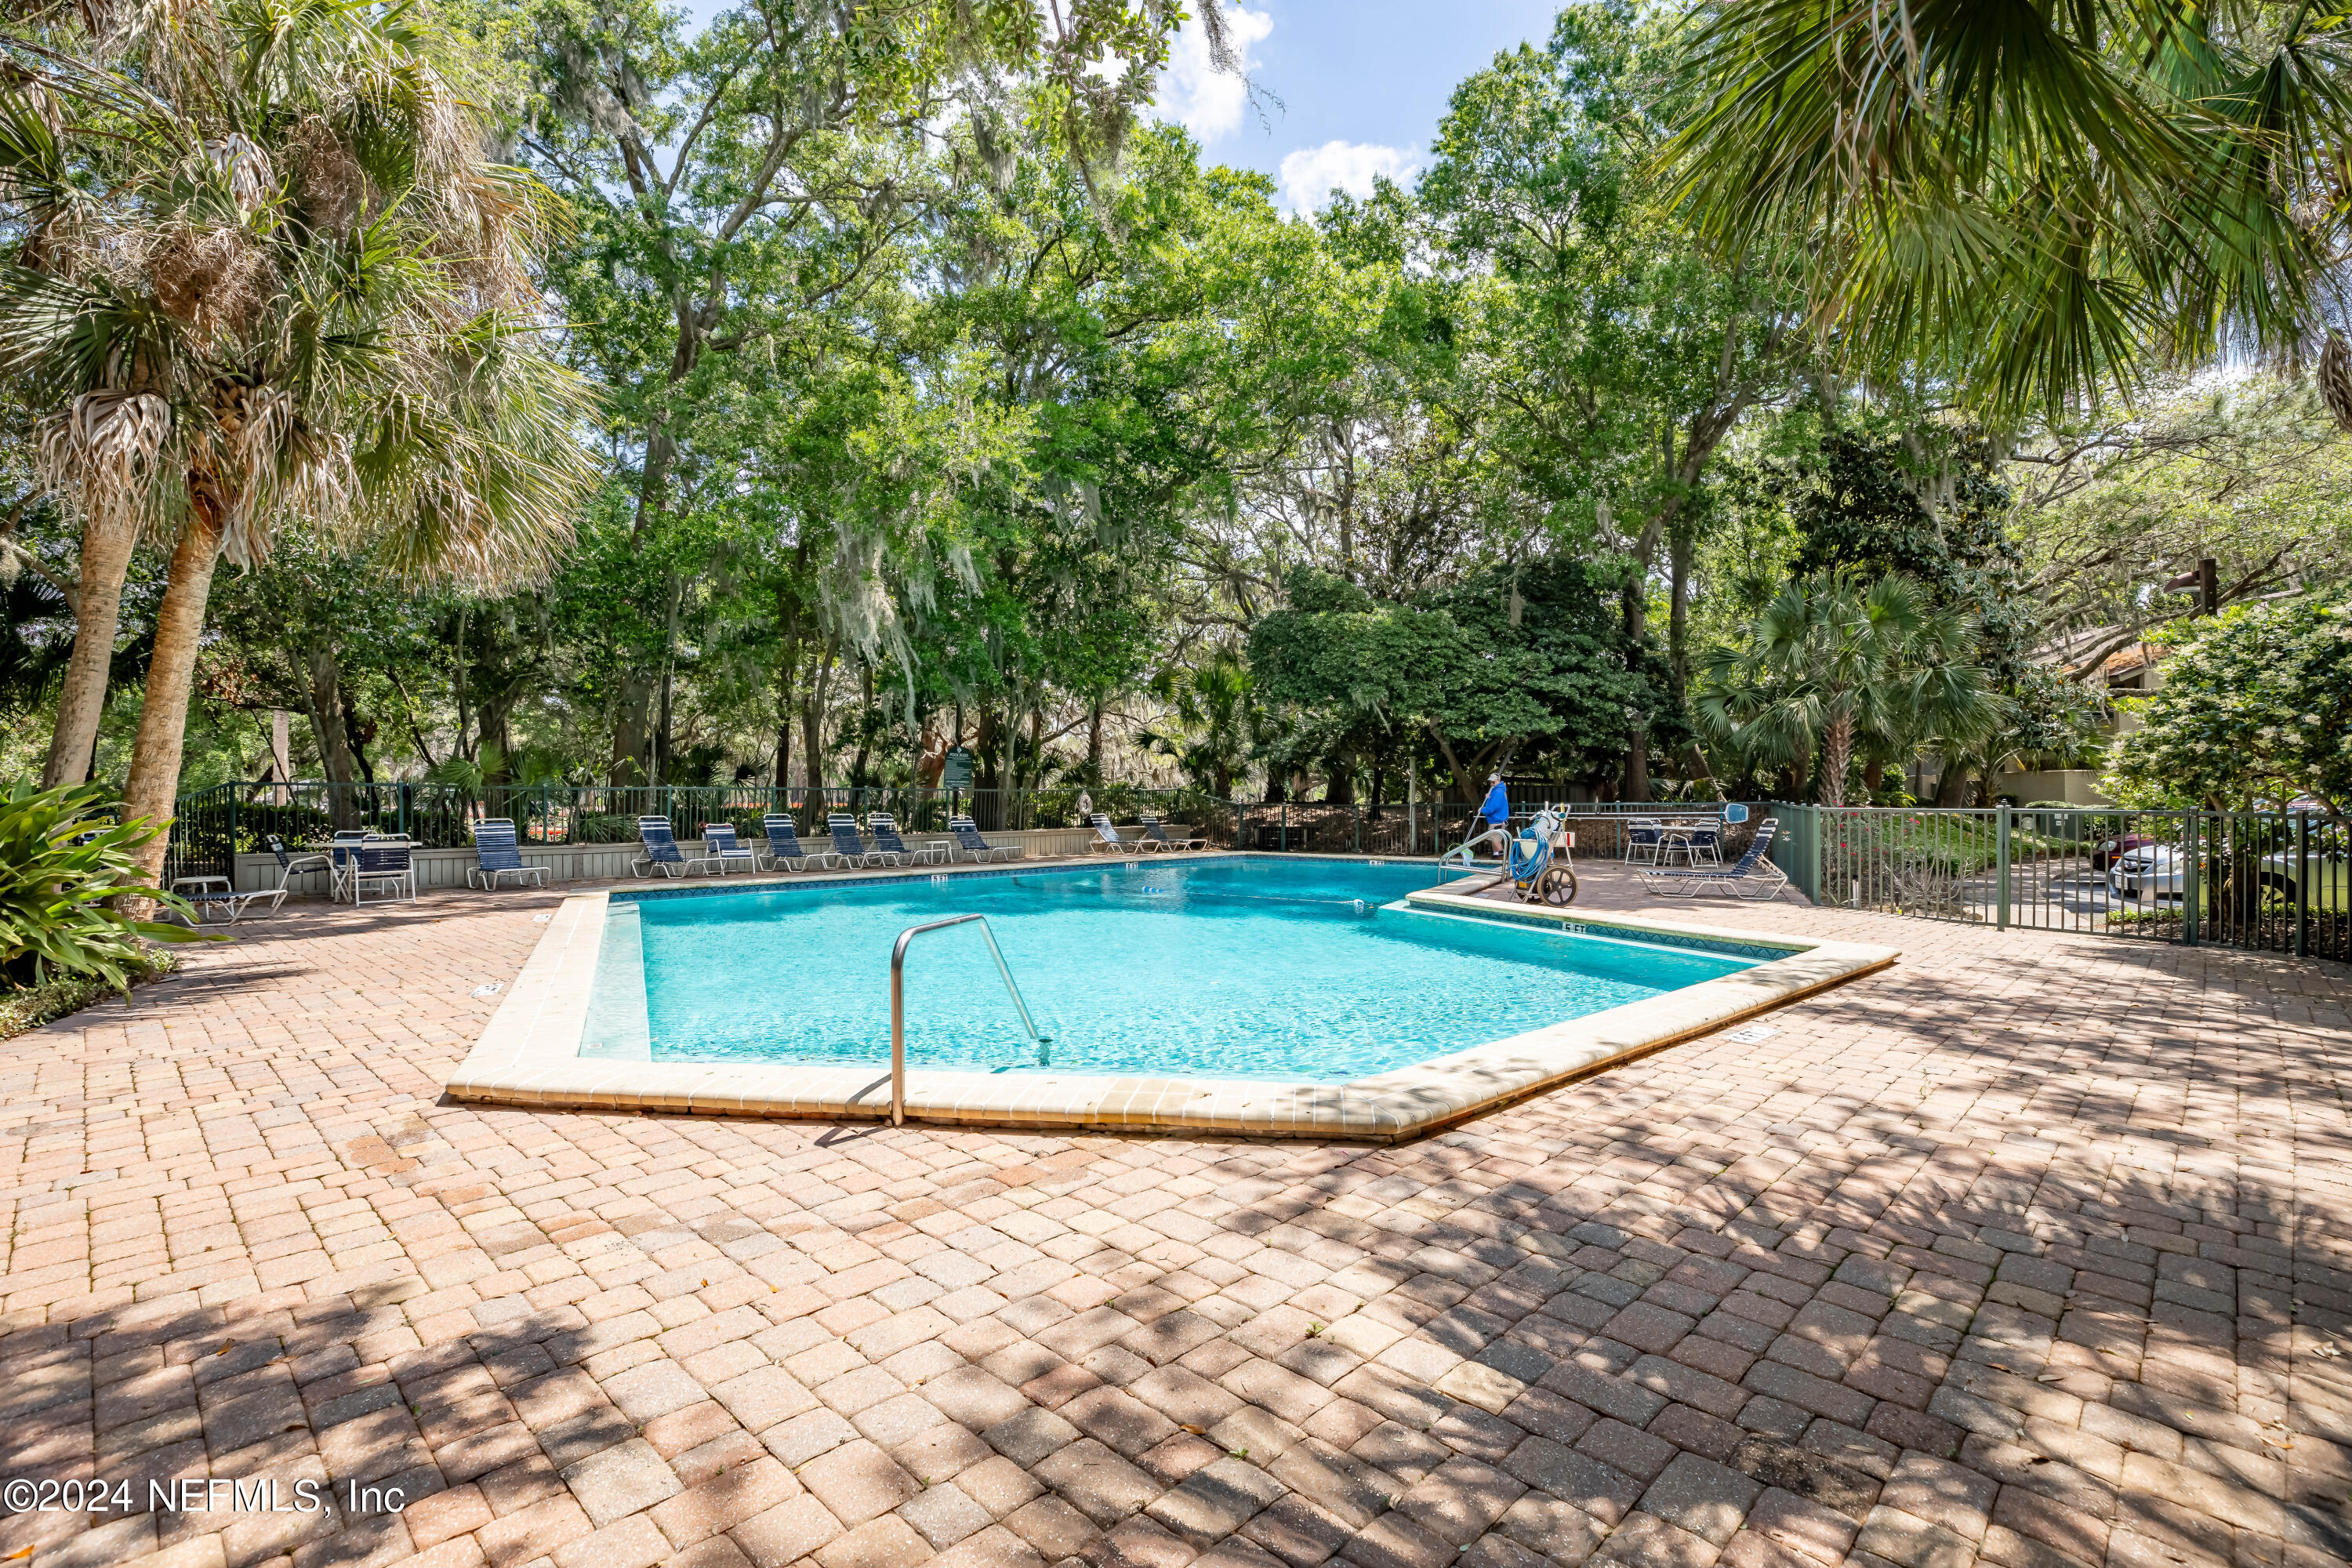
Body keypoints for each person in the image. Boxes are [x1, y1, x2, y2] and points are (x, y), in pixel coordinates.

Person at [1478, 773, 1510, 858]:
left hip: (1497, 821)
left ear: (1498, 781)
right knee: (1493, 839)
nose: (1491, 784)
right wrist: (1489, 797)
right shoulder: (1499, 791)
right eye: (1491, 782)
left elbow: (1492, 808)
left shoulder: (1498, 792)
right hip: (1498, 820)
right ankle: (1496, 855)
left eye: (1493, 782)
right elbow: (1496, 803)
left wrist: (1482, 809)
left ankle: (1502, 858)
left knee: (1495, 840)